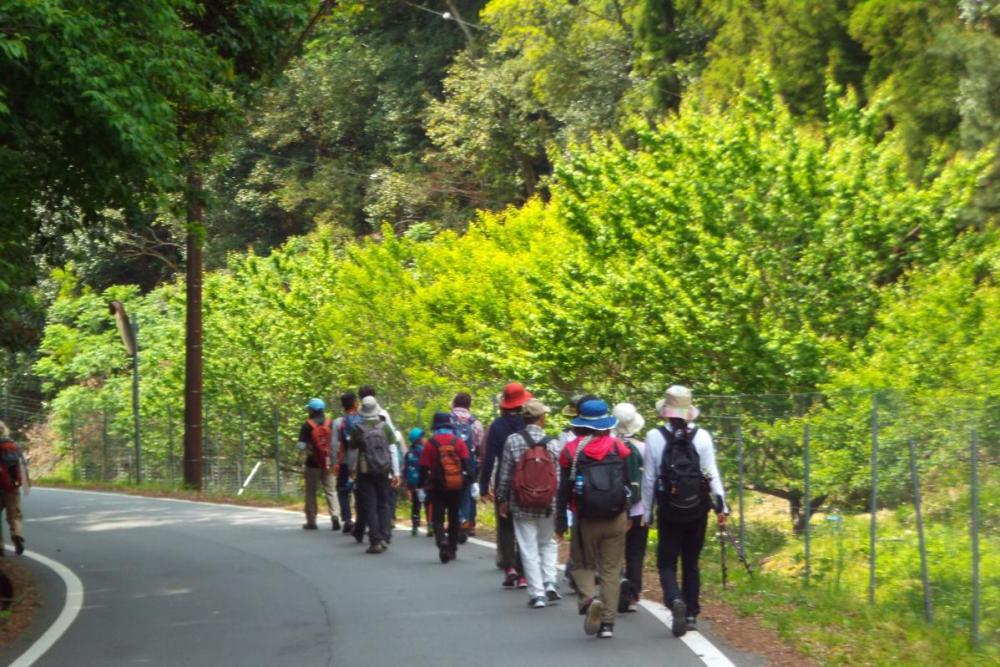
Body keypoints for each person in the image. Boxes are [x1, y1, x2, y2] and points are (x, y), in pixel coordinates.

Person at [641, 385, 728, 637]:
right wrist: (722, 505)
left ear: (666, 412)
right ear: (689, 411)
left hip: (670, 509)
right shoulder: (702, 437)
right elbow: (711, 473)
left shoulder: (654, 437)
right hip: (697, 508)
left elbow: (649, 478)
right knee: (691, 562)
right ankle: (690, 613)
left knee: (666, 562)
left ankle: (674, 599)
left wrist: (648, 513)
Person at [556, 399, 638, 639]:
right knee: (611, 570)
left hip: (586, 518)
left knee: (582, 564)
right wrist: (629, 512)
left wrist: (561, 520)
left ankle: (590, 598)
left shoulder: (571, 450)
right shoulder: (618, 447)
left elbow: (563, 490)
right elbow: (627, 484)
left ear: (581, 423)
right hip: (616, 516)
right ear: (605, 423)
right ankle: (608, 625)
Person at [495, 399, 562, 609]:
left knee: (528, 547)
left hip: (521, 503)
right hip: (547, 503)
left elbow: (505, 474)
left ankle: (537, 594)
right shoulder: (552, 442)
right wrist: (560, 504)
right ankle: (550, 581)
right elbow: (558, 477)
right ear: (542, 418)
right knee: (548, 542)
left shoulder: (513, 440)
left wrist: (502, 499)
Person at [479, 382, 530, 588]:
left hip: (505, 480)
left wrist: (484, 486)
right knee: (526, 528)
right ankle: (525, 572)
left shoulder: (497, 426)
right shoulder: (529, 424)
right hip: (528, 479)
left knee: (506, 526)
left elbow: (489, 458)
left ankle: (509, 569)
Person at [347, 396, 401, 554]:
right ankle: (384, 536)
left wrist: (351, 469)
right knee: (383, 503)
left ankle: (375, 541)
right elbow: (392, 449)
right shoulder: (385, 427)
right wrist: (396, 472)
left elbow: (352, 450)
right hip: (384, 469)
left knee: (370, 504)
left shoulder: (357, 428)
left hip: (365, 470)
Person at [419, 412, 472, 563]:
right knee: (454, 517)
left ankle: (442, 541)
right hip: (455, 485)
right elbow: (467, 464)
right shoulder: (458, 442)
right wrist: (470, 481)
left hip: (437, 486)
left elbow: (423, 467)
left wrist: (421, 486)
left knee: (437, 517)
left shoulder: (431, 443)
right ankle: (453, 549)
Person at [613, 402, 647, 612]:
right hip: (639, 509)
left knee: (613, 552)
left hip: (614, 509)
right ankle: (633, 595)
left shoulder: (609, 445)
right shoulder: (643, 448)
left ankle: (617, 588)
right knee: (635, 553)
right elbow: (649, 479)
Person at [297, 398, 340, 531]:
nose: (307, 410)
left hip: (312, 463)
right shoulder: (330, 423)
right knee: (331, 491)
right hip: (328, 463)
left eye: (308, 408)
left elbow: (301, 445)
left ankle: (311, 521)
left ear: (312, 410)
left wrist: (302, 446)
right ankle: (335, 516)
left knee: (311, 492)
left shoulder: (307, 425)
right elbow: (335, 443)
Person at [450, 392, 483, 539]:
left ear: (455, 404)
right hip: (470, 462)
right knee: (469, 493)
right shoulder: (475, 422)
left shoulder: (449, 419)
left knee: (451, 492)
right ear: (469, 405)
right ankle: (468, 523)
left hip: (450, 462)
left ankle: (454, 521)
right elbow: (479, 445)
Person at [333, 392, 361, 535]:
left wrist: (333, 462)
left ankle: (348, 519)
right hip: (362, 461)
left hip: (345, 462)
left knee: (342, 490)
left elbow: (333, 445)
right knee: (361, 490)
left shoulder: (339, 422)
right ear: (355, 403)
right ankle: (362, 520)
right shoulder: (363, 419)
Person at [0, 421, 27, 556]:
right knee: (14, 515)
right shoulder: (14, 445)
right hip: (12, 486)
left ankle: (0, 548)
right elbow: (23, 464)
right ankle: (16, 534)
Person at [403, 427, 429, 536]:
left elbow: (405, 469)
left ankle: (414, 525)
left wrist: (406, 485)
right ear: (419, 439)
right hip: (425, 482)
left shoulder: (409, 453)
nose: (425, 439)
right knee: (428, 503)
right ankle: (430, 524)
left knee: (416, 504)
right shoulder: (425, 451)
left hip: (413, 483)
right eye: (423, 437)